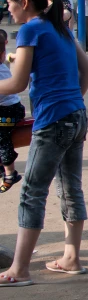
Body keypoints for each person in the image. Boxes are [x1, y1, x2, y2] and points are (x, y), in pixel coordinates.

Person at [0, 0, 88, 287]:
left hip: (53, 120)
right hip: (76, 116)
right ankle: (71, 258)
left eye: (10, 3)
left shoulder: (29, 30)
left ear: (24, 2)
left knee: (31, 192)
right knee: (70, 188)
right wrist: (73, 100)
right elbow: (87, 70)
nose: (8, 9)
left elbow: (17, 83)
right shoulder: (59, 27)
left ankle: (19, 270)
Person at [0, 29, 25, 194]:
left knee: (1, 136)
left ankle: (10, 172)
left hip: (10, 112)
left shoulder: (1, 70)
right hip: (5, 109)